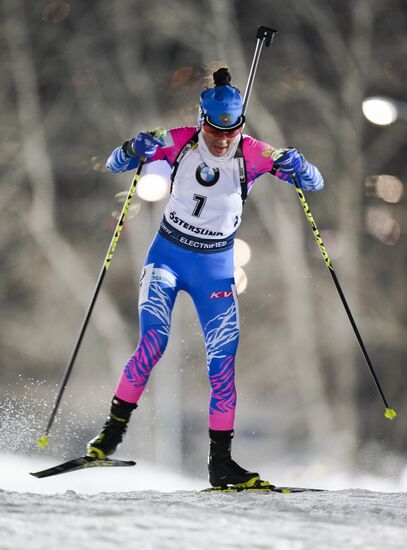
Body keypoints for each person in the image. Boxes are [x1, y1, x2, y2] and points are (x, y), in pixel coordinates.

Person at [86, 67, 324, 488]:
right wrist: (131, 147)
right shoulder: (176, 140)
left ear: (241, 126)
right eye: (214, 130)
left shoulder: (253, 153)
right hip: (168, 257)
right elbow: (114, 163)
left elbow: (314, 183)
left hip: (215, 266)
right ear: (201, 121)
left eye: (230, 132)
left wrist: (299, 165)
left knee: (222, 365)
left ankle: (221, 464)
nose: (221, 140)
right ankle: (109, 436)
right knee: (152, 342)